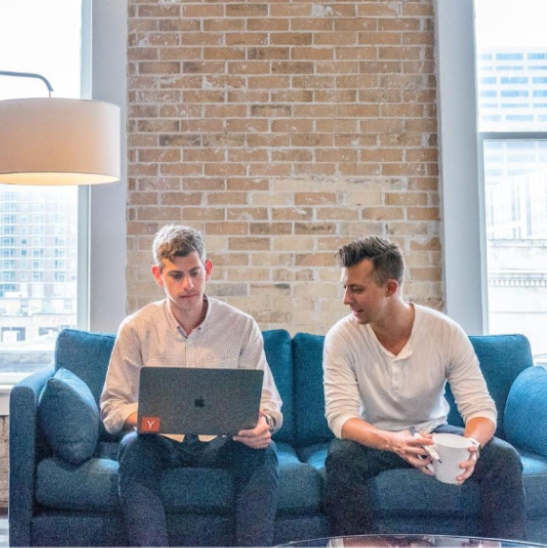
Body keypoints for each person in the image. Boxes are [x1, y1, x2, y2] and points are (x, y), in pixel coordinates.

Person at [322, 236, 527, 538]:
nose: (346, 299)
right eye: (345, 287)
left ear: (390, 288)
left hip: (433, 434)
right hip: (374, 437)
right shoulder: (341, 337)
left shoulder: (445, 332)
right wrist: (393, 441)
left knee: (504, 458)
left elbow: (480, 409)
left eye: (357, 289)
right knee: (341, 458)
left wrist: (469, 448)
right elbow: (340, 417)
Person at [99, 225, 280, 548]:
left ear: (207, 269)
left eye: (195, 273)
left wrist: (263, 424)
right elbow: (112, 406)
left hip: (224, 441)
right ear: (158, 276)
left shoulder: (240, 326)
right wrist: (147, 414)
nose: (189, 285)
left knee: (264, 453)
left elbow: (268, 402)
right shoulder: (136, 328)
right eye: (176, 276)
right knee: (132, 448)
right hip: (161, 440)